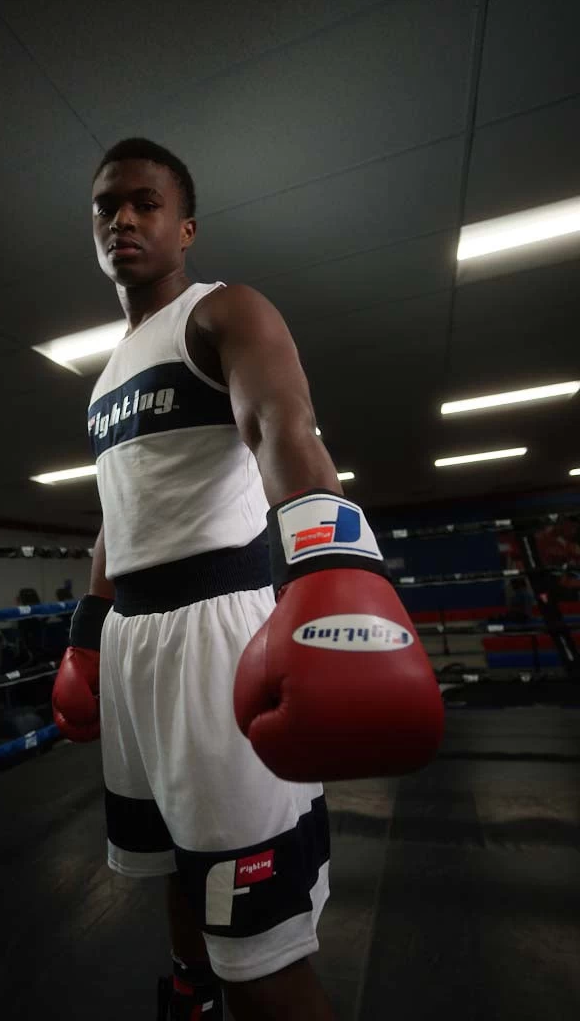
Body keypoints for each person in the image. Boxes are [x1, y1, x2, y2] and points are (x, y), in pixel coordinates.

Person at [52, 138, 441, 1020]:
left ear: (185, 228)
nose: (122, 218)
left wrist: (331, 566)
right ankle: (190, 995)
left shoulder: (222, 311)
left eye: (145, 202)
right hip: (134, 644)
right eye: (106, 206)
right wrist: (86, 637)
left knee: (259, 949)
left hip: (213, 636)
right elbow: (117, 513)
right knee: (175, 864)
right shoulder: (105, 379)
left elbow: (282, 429)